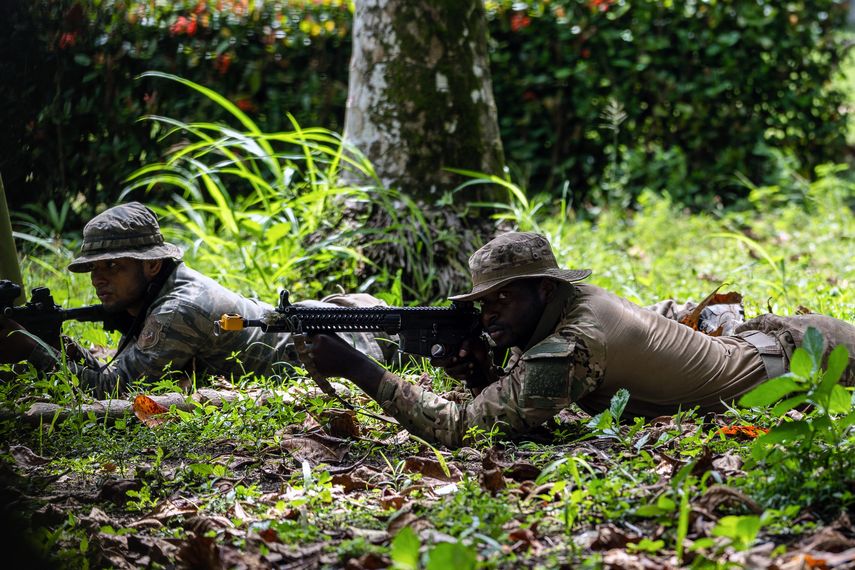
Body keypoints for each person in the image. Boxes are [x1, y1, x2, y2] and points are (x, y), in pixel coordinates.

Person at [296, 231, 855, 448]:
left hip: (813, 359)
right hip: (776, 346)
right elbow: (526, 404)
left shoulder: (578, 341)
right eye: (483, 301)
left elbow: (461, 430)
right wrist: (485, 375)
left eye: (503, 298)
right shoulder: (568, 310)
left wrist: (359, 370)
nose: (490, 312)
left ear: (542, 289)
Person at [0, 202, 389, 398]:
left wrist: (30, 347)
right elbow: (111, 373)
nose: (99, 278)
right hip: (334, 323)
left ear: (152, 266)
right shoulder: (163, 293)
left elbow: (107, 391)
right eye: (93, 269)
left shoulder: (176, 309)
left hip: (361, 342)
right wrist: (57, 344)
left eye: (113, 266)